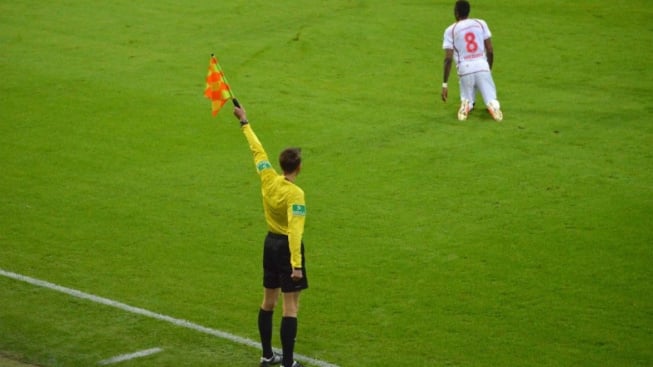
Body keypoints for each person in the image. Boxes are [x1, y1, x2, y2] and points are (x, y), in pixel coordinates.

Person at [233, 105, 308, 367]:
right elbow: (295, 230)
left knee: (268, 302)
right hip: (287, 249)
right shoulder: (295, 194)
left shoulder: (268, 178)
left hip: (270, 244)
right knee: (290, 308)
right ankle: (288, 363)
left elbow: (258, 152)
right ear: (298, 167)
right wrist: (297, 265)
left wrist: (245, 122)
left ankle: (266, 355)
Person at [441, 0, 503, 121]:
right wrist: (488, 68)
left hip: (465, 68)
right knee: (491, 98)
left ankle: (465, 104)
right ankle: (492, 106)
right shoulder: (480, 23)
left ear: (456, 13)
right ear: (468, 11)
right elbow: (490, 50)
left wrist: (445, 84)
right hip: (482, 65)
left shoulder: (450, 30)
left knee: (467, 97)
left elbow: (448, 58)